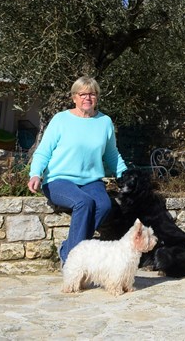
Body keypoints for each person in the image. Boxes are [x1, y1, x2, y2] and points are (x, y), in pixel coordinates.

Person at [27, 76, 127, 264]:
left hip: (91, 181)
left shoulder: (105, 122)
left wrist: (127, 177)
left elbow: (112, 155)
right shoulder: (61, 120)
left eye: (92, 94)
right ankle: (72, 261)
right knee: (84, 202)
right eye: (83, 94)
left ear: (97, 97)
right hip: (59, 180)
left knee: (104, 205)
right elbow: (43, 151)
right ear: (74, 97)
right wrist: (35, 174)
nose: (87, 98)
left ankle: (67, 250)